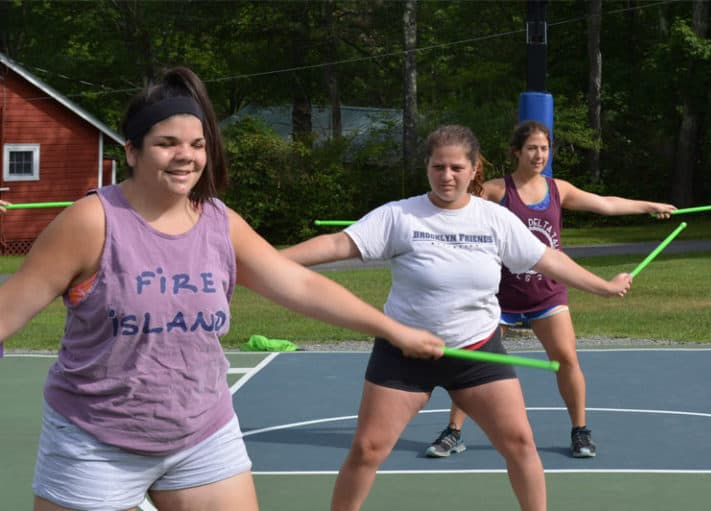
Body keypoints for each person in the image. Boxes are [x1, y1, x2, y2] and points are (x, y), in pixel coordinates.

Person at [0, 66, 445, 511]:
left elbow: (300, 285)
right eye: (166, 144)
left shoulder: (218, 222)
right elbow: (10, 308)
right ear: (132, 151)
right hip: (96, 439)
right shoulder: (92, 222)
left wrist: (391, 329)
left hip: (201, 435)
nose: (186, 156)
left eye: (197, 145)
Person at [281, 124, 633, 511]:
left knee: (519, 445)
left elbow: (549, 259)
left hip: (477, 353)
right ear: (427, 168)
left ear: (473, 168)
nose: (447, 176)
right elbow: (336, 244)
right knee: (367, 449)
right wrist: (266, 261)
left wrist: (602, 285)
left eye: (456, 168)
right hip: (405, 353)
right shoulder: (400, 215)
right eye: (438, 167)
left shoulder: (493, 219)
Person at [424, 120, 676, 460]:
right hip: (501, 296)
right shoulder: (499, 190)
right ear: (516, 152)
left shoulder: (559, 189)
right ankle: (454, 431)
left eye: (544, 148)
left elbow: (605, 204)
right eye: (531, 148)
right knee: (472, 365)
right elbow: (453, 203)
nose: (539, 154)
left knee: (567, 360)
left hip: (547, 294)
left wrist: (650, 206)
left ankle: (580, 431)